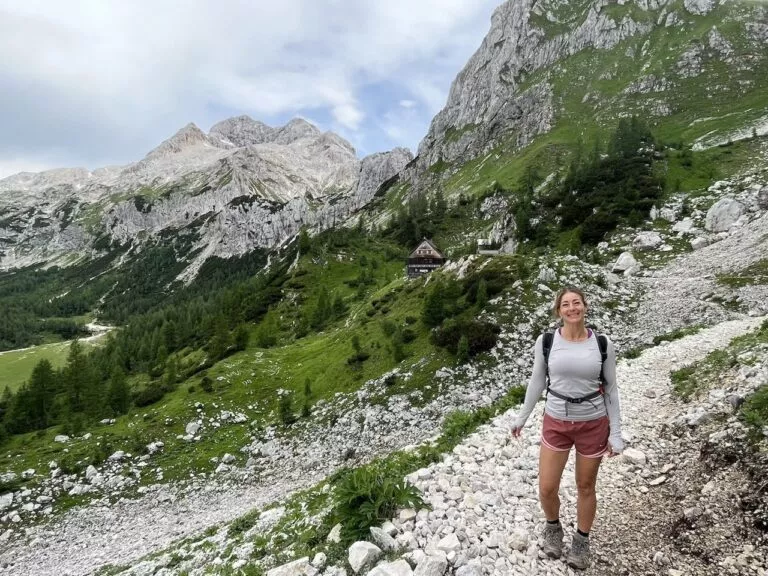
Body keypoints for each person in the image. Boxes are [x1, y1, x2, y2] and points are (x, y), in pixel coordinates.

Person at [510, 286, 623, 570]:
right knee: (547, 488)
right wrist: (522, 416)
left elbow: (611, 389)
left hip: (593, 423)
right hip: (556, 420)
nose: (572, 308)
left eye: (576, 303)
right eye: (565, 305)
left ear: (585, 307)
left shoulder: (602, 343)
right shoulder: (547, 341)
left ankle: (581, 541)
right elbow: (537, 381)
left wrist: (616, 433)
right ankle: (553, 527)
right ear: (558, 311)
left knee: (585, 486)